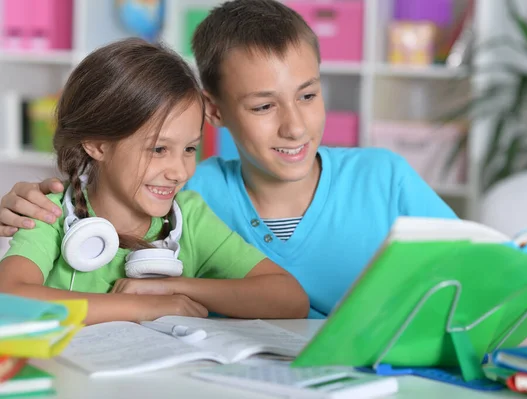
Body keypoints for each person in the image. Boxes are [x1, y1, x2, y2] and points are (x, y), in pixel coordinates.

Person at [0, 0, 456, 319]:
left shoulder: (383, 177)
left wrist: (171, 289)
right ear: (213, 110)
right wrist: (23, 201)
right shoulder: (190, 194)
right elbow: (108, 182)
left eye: (309, 95)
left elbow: (484, 275)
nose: (294, 127)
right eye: (263, 106)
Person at [0, 38, 308, 325]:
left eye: (189, 149)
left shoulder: (191, 217)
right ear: (97, 144)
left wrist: (172, 289)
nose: (179, 171)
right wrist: (143, 308)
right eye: (159, 149)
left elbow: (290, 299)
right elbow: (8, 299)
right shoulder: (51, 213)